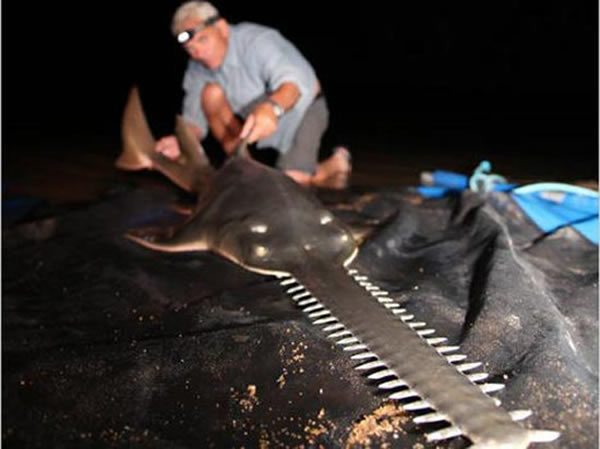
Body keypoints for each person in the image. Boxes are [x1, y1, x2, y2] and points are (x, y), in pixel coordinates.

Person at [156, 1, 351, 188]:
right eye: (189, 48)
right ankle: (245, 165)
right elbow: (194, 122)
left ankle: (336, 163)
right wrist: (180, 142)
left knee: (293, 181)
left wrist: (272, 108)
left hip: (302, 107)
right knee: (210, 94)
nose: (197, 53)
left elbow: (294, 85)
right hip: (256, 119)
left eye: (202, 40)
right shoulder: (197, 68)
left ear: (222, 28)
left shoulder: (258, 40)